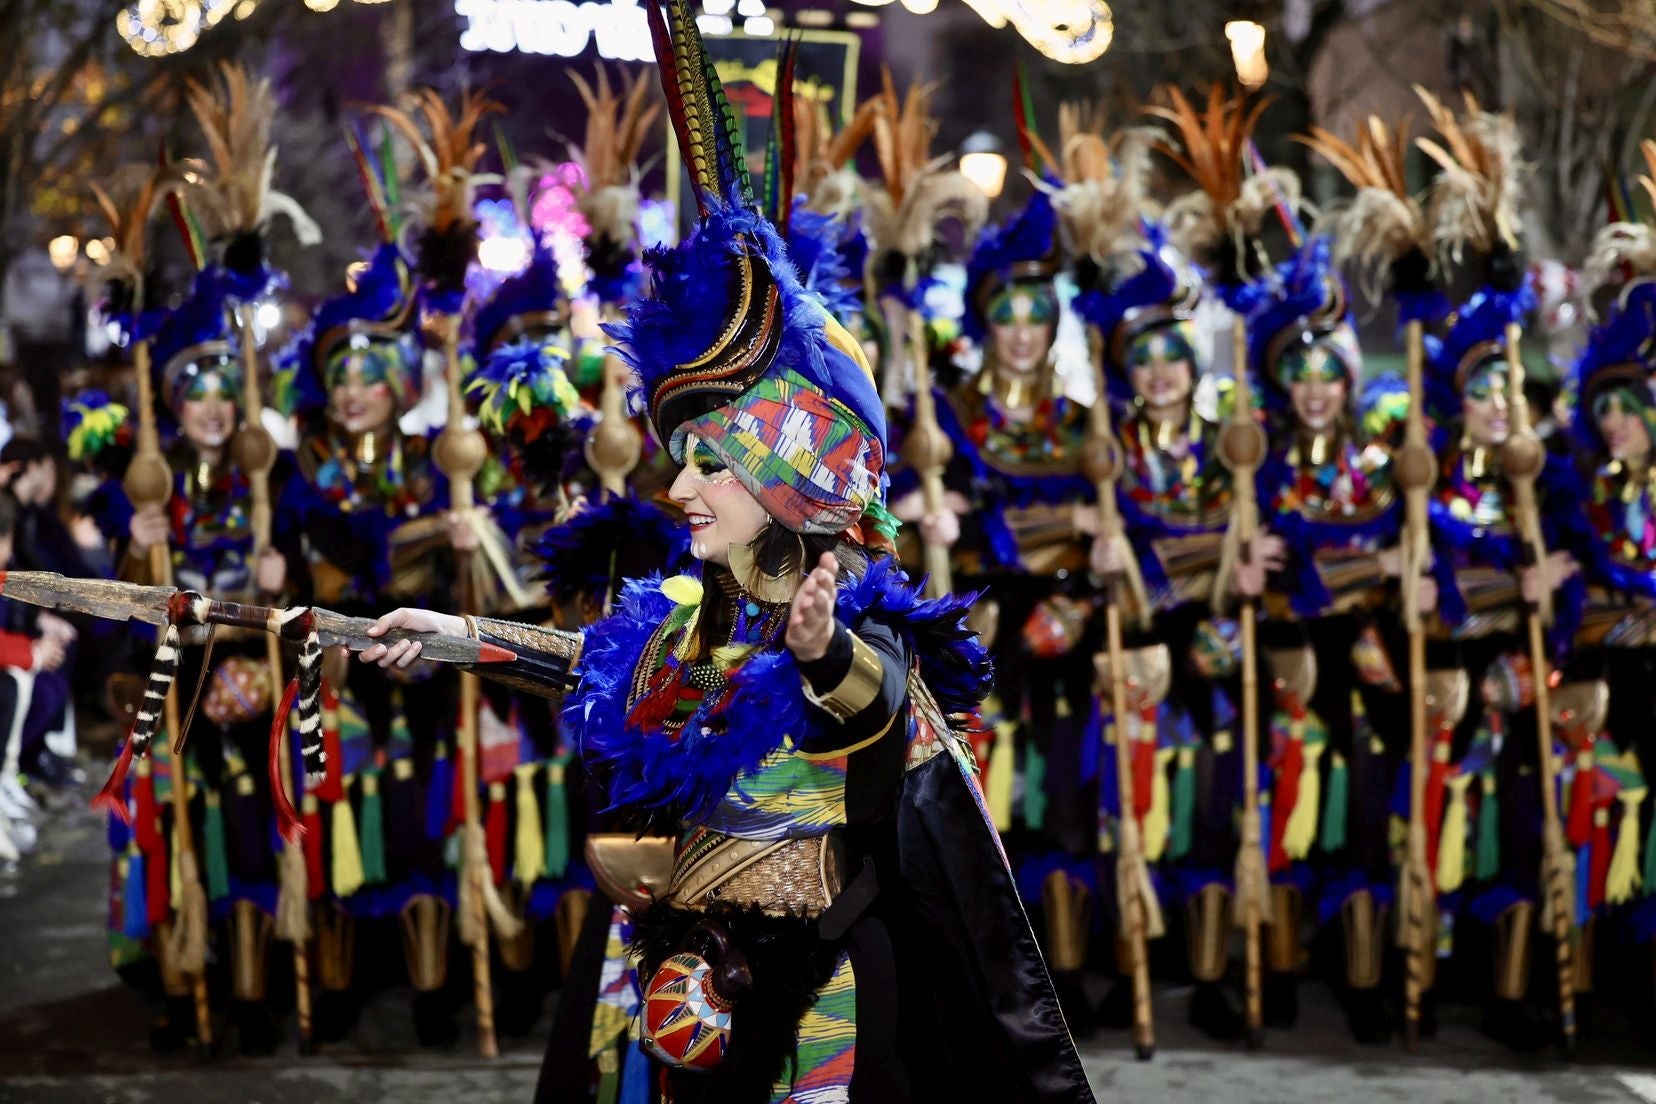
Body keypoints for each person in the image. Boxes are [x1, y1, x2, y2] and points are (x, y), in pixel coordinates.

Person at [360, 4, 1093, 1098]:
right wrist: (457, 636)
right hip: (676, 980)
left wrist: (816, 650)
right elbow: (594, 665)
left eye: (709, 466)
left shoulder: (864, 622)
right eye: (681, 463)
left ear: (786, 477)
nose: (678, 488)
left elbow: (875, 700)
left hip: (825, 990)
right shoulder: (680, 612)